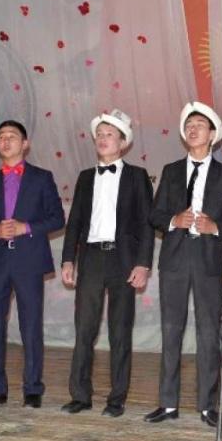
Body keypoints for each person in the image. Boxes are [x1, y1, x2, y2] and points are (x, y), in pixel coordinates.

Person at [144, 102, 222, 427]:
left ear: (212, 135)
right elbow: (154, 215)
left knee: (209, 332)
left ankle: (208, 405)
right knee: (171, 330)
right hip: (175, 258)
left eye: (200, 125)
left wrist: (215, 227)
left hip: (208, 259)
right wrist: (173, 220)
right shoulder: (170, 171)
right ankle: (168, 403)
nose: (193, 129)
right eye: (189, 125)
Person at [60, 109, 154, 417]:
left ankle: (116, 399)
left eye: (109, 134)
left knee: (120, 330)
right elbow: (74, 222)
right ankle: (80, 395)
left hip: (123, 260)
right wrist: (68, 259)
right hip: (91, 257)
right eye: (99, 134)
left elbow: (146, 225)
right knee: (84, 328)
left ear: (123, 142)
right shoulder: (86, 177)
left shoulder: (137, 176)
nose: (102, 139)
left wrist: (143, 264)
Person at [0, 120, 64, 408]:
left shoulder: (42, 178)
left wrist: (27, 227)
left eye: (12, 136)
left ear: (25, 144)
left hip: (28, 261)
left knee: (30, 326)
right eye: (1, 136)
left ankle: (33, 389)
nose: (6, 140)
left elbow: (57, 218)